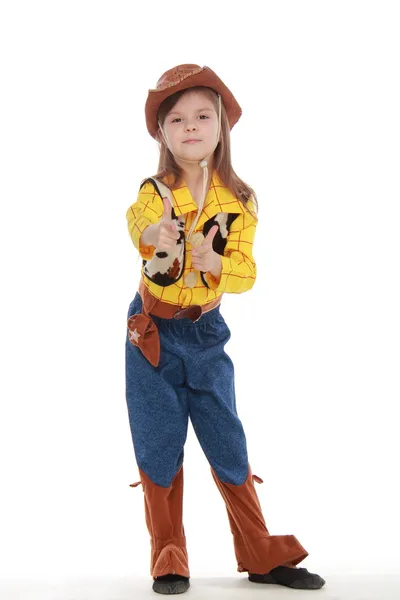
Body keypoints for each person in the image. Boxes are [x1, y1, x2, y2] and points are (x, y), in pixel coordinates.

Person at [125, 64, 326, 595]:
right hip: (152, 333)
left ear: (221, 127)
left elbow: (246, 274)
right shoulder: (156, 192)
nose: (190, 126)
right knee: (158, 438)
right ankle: (168, 551)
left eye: (202, 116)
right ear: (163, 133)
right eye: (177, 119)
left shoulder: (239, 200)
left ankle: (257, 548)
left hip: (207, 332)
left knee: (226, 435)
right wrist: (155, 232)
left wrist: (214, 261)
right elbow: (137, 226)